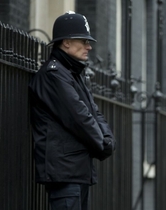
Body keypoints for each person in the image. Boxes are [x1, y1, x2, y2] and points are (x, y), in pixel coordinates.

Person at [29, 11, 116, 210]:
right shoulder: (54, 75)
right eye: (84, 41)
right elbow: (79, 117)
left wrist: (108, 138)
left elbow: (94, 112)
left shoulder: (71, 73)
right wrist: (103, 145)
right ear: (66, 42)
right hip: (65, 172)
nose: (89, 46)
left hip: (76, 171)